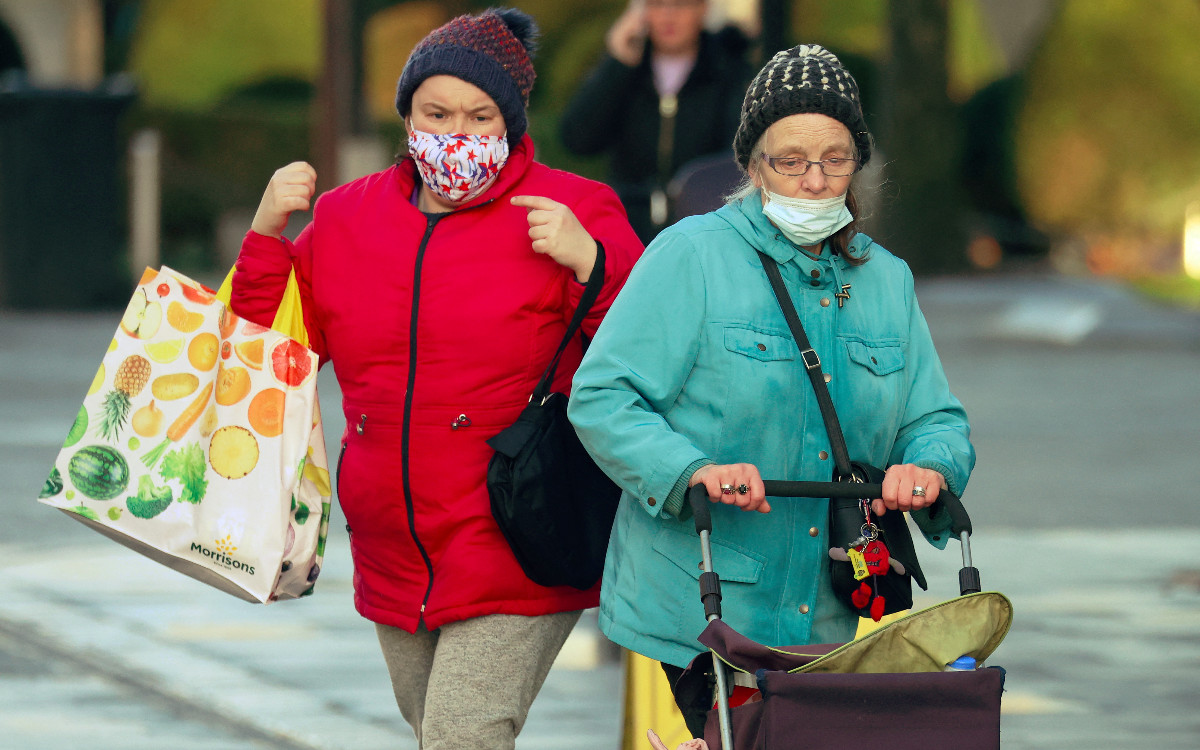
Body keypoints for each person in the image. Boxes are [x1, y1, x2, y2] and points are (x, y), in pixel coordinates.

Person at [229, 8, 642, 748]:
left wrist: (595, 266)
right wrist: (263, 239)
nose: (457, 132)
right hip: (391, 545)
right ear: (407, 115)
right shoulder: (346, 219)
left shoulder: (575, 210)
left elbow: (651, 357)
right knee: (440, 735)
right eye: (437, 112)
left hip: (519, 532)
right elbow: (266, 361)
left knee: (459, 737)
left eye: (481, 115)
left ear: (512, 122)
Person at [568, 44, 974, 736]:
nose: (815, 180)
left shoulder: (887, 279)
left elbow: (935, 418)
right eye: (791, 160)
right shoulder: (692, 255)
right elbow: (603, 396)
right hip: (708, 608)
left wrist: (929, 467)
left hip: (845, 605)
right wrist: (690, 470)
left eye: (836, 159)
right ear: (754, 164)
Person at [559, 0, 753, 244]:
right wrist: (617, 63)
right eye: (657, 4)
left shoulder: (730, 72)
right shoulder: (627, 70)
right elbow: (577, 139)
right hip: (627, 230)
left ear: (703, 9)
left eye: (681, 5)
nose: (668, 15)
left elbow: (738, 158)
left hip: (703, 230)